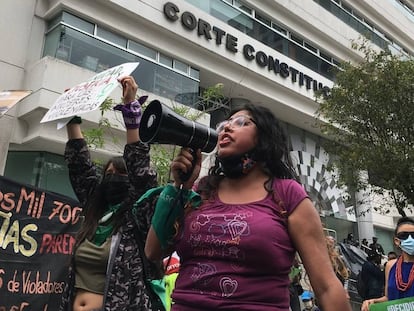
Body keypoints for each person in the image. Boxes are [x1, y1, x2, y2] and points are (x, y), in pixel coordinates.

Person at [145, 103, 352, 310]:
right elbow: (153, 251)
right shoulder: (201, 190)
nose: (227, 128)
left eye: (241, 122)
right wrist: (179, 187)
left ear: (264, 137)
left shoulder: (287, 194)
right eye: (224, 124)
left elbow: (326, 286)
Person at [59, 76, 160, 311]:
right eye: (109, 173)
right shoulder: (95, 211)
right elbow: (81, 168)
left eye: (121, 174)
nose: (113, 178)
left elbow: (142, 176)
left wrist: (132, 116)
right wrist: (72, 116)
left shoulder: (137, 215)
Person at [361, 217, 414, 311]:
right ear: (396, 241)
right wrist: (373, 302)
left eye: (413, 235)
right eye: (404, 235)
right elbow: (388, 298)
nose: (410, 238)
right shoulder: (390, 266)